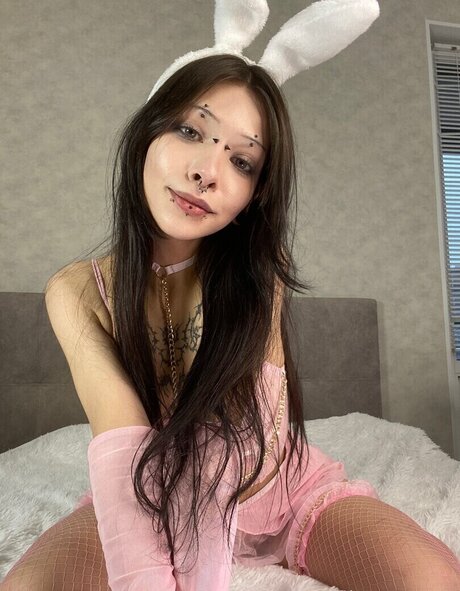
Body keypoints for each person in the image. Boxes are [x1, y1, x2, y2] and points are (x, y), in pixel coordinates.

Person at [2, 2, 460, 590]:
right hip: (149, 495)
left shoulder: (259, 274)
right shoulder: (77, 292)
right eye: (190, 131)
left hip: (282, 494)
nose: (208, 171)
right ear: (147, 132)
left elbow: (247, 437)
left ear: (254, 194)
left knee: (433, 578)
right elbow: (121, 446)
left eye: (242, 161)